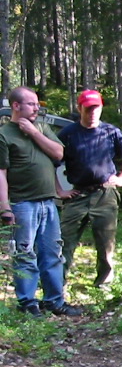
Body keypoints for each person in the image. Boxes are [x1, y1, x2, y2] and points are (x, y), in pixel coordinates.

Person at [0, 87, 82, 316]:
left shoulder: (42, 127)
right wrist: (5, 207)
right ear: (16, 106)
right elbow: (1, 173)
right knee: (25, 253)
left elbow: (58, 153)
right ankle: (27, 303)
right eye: (31, 104)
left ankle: (54, 301)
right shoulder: (4, 135)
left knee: (52, 253)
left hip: (48, 202)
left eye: (37, 104)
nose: (37, 108)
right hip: (22, 204)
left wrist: (34, 132)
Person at [58, 89, 122, 288]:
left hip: (104, 193)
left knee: (106, 244)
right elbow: (50, 161)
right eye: (88, 108)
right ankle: (56, 286)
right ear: (80, 108)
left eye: (96, 108)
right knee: (64, 241)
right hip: (77, 194)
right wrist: (59, 191)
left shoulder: (110, 132)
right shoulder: (68, 134)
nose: (93, 112)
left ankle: (103, 285)